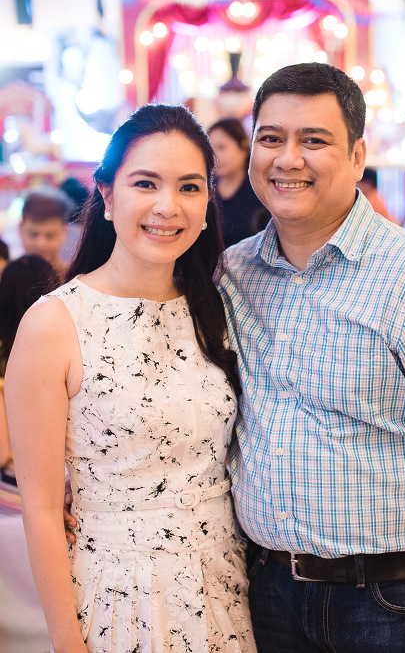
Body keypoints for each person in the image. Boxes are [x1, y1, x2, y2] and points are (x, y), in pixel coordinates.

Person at [217, 63, 405, 653]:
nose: (288, 159)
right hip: (266, 590)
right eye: (271, 138)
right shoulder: (232, 274)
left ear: (358, 156)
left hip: (393, 601)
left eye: (314, 140)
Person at [6, 104, 256, 653]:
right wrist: (67, 643)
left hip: (226, 587)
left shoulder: (217, 307)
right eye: (146, 183)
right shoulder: (55, 324)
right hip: (119, 598)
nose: (168, 206)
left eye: (189, 187)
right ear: (107, 194)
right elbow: (42, 510)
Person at [0, 254, 59, 653]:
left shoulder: (5, 362)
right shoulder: (64, 347)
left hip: (10, 506)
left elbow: (3, 452)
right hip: (61, 500)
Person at [208, 118, 269, 247]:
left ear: (243, 147)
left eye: (222, 147)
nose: (215, 156)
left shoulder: (259, 189)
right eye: (211, 149)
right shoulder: (208, 190)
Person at [18, 186, 73, 278]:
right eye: (33, 234)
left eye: (50, 235)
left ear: (65, 232)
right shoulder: (6, 275)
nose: (41, 244)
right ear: (20, 229)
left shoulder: (72, 279)